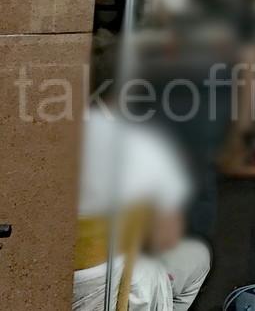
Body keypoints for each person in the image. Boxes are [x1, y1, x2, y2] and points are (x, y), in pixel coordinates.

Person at [72, 110, 210, 311]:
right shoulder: (140, 148)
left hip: (56, 284)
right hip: (122, 291)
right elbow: (165, 239)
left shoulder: (42, 149)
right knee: (199, 254)